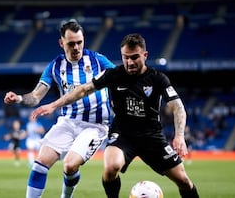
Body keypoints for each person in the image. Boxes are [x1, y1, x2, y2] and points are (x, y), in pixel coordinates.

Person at [31, 33, 200, 198]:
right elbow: (83, 90)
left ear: (145, 55)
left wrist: (179, 136)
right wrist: (53, 105)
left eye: (134, 57)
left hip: (151, 136)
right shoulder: (114, 74)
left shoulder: (158, 79)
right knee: (111, 167)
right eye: (125, 57)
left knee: (184, 181)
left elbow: (178, 108)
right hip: (123, 135)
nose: (129, 62)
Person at [3, 19, 115, 198]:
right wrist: (18, 98)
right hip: (68, 122)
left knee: (69, 165)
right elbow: (36, 97)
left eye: (80, 42)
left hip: (94, 125)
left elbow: (120, 77)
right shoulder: (55, 66)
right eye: (71, 43)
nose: (76, 47)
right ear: (61, 43)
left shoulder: (97, 59)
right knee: (39, 163)